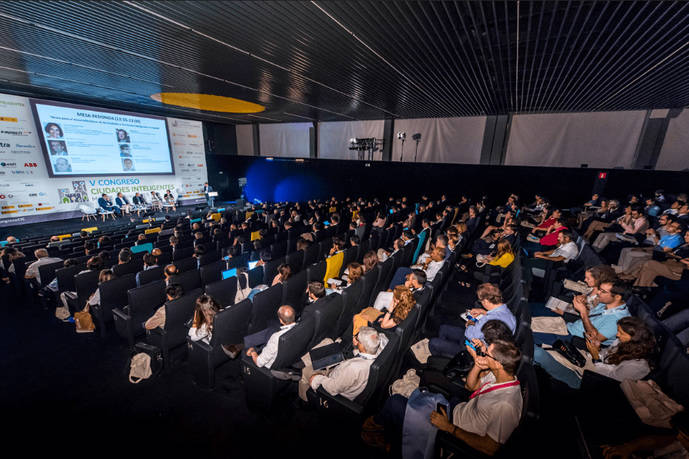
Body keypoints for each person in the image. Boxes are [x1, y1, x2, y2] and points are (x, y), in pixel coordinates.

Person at [364, 339, 523, 456]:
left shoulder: (506, 405)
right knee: (418, 395)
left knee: (395, 402)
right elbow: (470, 386)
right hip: (457, 410)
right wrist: (477, 364)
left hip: (453, 428)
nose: (483, 353)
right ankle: (397, 432)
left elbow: (490, 448)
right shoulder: (500, 376)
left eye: (487, 353)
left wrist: (449, 428)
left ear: (498, 364)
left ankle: (372, 431)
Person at [533, 316, 655, 389]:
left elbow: (609, 382)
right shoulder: (621, 342)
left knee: (540, 355)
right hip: (589, 363)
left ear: (634, 338)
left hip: (588, 380)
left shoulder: (638, 365)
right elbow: (605, 354)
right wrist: (596, 348)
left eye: (621, 333)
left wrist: (596, 357)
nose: (617, 335)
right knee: (550, 349)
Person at [533, 279, 632, 346]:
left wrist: (583, 313)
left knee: (529, 333)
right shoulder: (606, 303)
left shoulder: (618, 321)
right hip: (569, 326)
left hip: (572, 338)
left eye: (603, 291)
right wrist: (583, 304)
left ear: (617, 297)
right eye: (600, 290)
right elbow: (592, 316)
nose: (598, 293)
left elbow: (594, 340)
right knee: (531, 313)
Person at [429, 283, 516, 358]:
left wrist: (471, 323)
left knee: (433, 343)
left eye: (480, 300)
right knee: (444, 328)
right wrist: (484, 312)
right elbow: (496, 318)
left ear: (485, 301)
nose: (480, 302)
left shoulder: (489, 320)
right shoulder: (508, 313)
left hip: (474, 349)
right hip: (482, 341)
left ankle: (449, 360)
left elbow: (469, 334)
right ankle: (446, 354)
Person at [307, 326, 383, 401]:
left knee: (305, 372)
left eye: (357, 338)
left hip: (333, 385)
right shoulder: (377, 350)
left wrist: (318, 378)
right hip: (345, 371)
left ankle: (305, 400)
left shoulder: (352, 368)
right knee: (328, 341)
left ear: (362, 345)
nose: (354, 337)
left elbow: (333, 388)